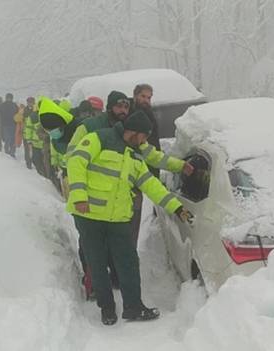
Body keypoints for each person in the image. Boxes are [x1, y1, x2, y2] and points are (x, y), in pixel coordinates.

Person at [67, 111, 194, 325]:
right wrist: (79, 195)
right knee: (97, 264)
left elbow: (151, 185)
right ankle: (107, 309)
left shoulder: (134, 155)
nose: (145, 141)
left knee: (128, 263)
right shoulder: (100, 138)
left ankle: (133, 307)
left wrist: (177, 207)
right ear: (135, 132)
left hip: (118, 219)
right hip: (89, 215)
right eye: (144, 136)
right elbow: (76, 162)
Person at [0, 93, 19, 157]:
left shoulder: (3, 105)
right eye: (8, 98)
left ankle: (11, 152)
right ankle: (8, 152)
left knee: (11, 139)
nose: (9, 99)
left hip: (11, 125)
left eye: (10, 98)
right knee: (9, 139)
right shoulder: (13, 105)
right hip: (8, 125)